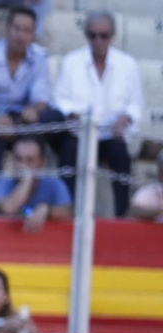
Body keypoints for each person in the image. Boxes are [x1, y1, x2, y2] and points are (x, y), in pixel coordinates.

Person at [52, 11, 143, 219]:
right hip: (79, 133)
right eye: (93, 35)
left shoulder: (127, 64)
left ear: (112, 36)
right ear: (86, 35)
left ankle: (122, 216)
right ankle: (66, 214)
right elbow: (60, 100)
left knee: (120, 154)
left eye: (104, 35)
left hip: (112, 135)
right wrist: (73, 114)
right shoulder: (71, 62)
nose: (98, 40)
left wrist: (126, 118)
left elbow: (136, 104)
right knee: (68, 152)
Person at [0, 6, 55, 200]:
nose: (21, 35)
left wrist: (34, 109)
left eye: (27, 30)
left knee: (54, 119)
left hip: (21, 120)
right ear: (6, 28)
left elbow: (41, 98)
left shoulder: (39, 57)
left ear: (33, 34)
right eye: (17, 28)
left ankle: (43, 201)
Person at [0, 137, 70, 234]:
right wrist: (27, 180)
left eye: (29, 160)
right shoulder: (0, 184)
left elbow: (67, 210)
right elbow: (8, 208)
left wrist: (47, 209)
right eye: (18, 159)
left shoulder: (53, 183)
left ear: (42, 162)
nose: (22, 165)